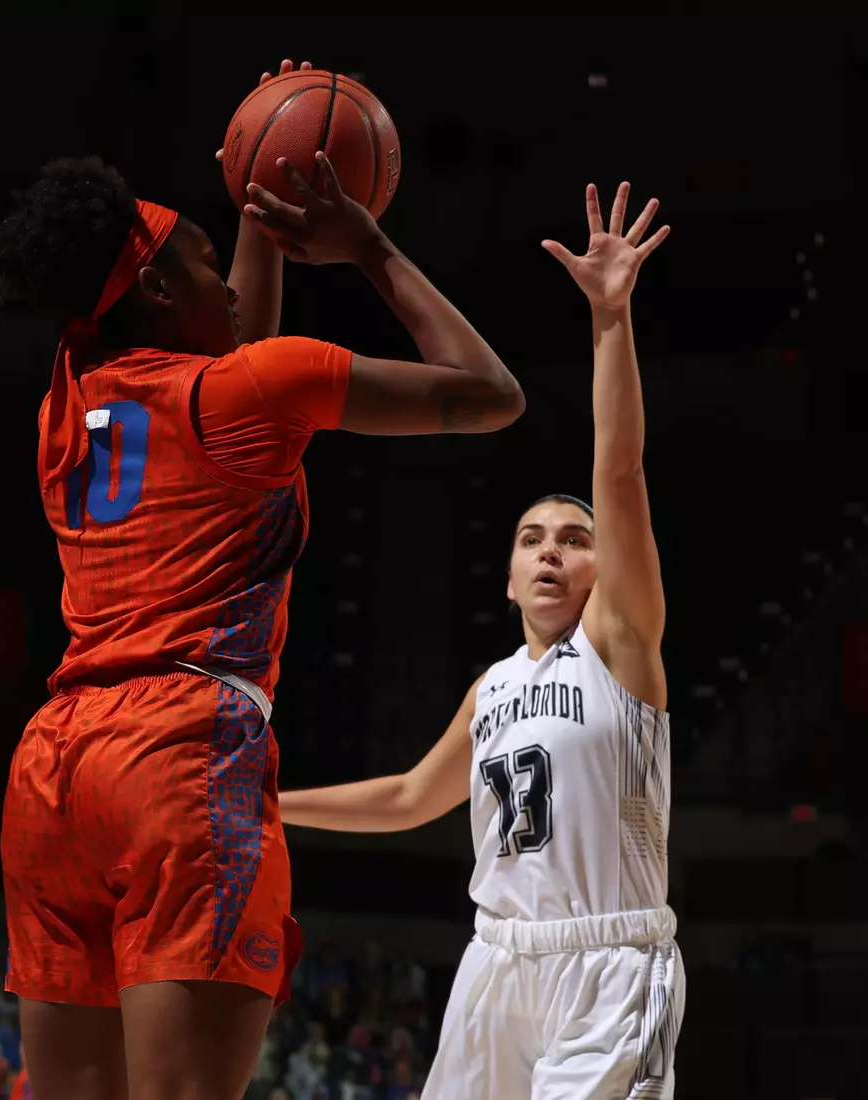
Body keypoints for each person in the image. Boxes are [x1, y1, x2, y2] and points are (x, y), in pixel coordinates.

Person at [0, 59, 523, 1100]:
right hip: (179, 752)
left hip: (54, 764)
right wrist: (367, 246)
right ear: (151, 288)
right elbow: (491, 392)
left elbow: (233, 340)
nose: (226, 284)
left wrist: (251, 213)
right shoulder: (257, 388)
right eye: (201, 263)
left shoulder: (66, 393)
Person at [281, 182, 681, 1099]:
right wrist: (269, 802)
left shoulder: (619, 646)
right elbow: (408, 797)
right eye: (531, 539)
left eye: (574, 540)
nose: (552, 552)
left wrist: (609, 320)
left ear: (602, 569)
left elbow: (616, 468)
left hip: (608, 964)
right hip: (494, 964)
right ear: (505, 577)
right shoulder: (494, 687)